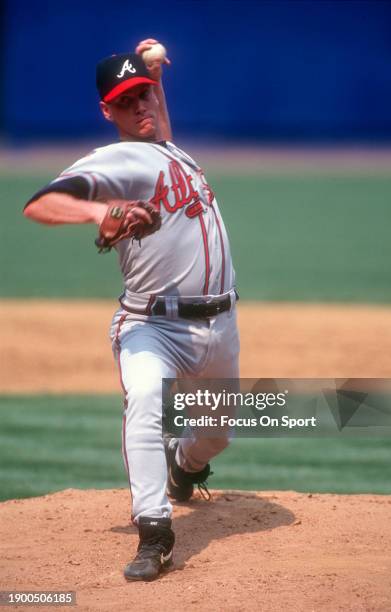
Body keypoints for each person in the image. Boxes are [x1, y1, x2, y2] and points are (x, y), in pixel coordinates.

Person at [23, 38, 240, 582]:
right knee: (146, 400)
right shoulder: (115, 159)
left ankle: (183, 467)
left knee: (217, 433)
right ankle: (155, 533)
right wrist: (103, 210)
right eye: (127, 100)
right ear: (108, 111)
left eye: (144, 96)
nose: (141, 106)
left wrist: (155, 75)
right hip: (152, 325)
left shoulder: (168, 147)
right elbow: (40, 203)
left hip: (220, 324)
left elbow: (156, 116)